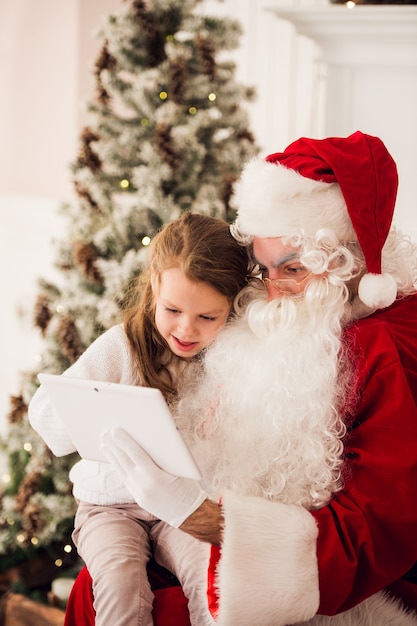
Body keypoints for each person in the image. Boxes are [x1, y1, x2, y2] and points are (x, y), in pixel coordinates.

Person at [101, 131, 417, 625]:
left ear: (348, 263)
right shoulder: (308, 323)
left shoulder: (385, 347)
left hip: (334, 586)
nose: (271, 291)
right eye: (263, 270)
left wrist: (202, 516)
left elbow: (378, 530)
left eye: (290, 269)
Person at [28, 211, 249, 626]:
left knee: (213, 579)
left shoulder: (228, 360)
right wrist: (91, 411)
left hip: (181, 506)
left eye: (207, 317)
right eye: (173, 310)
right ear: (153, 287)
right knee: (120, 579)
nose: (186, 329)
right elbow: (44, 411)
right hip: (108, 508)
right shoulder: (121, 345)